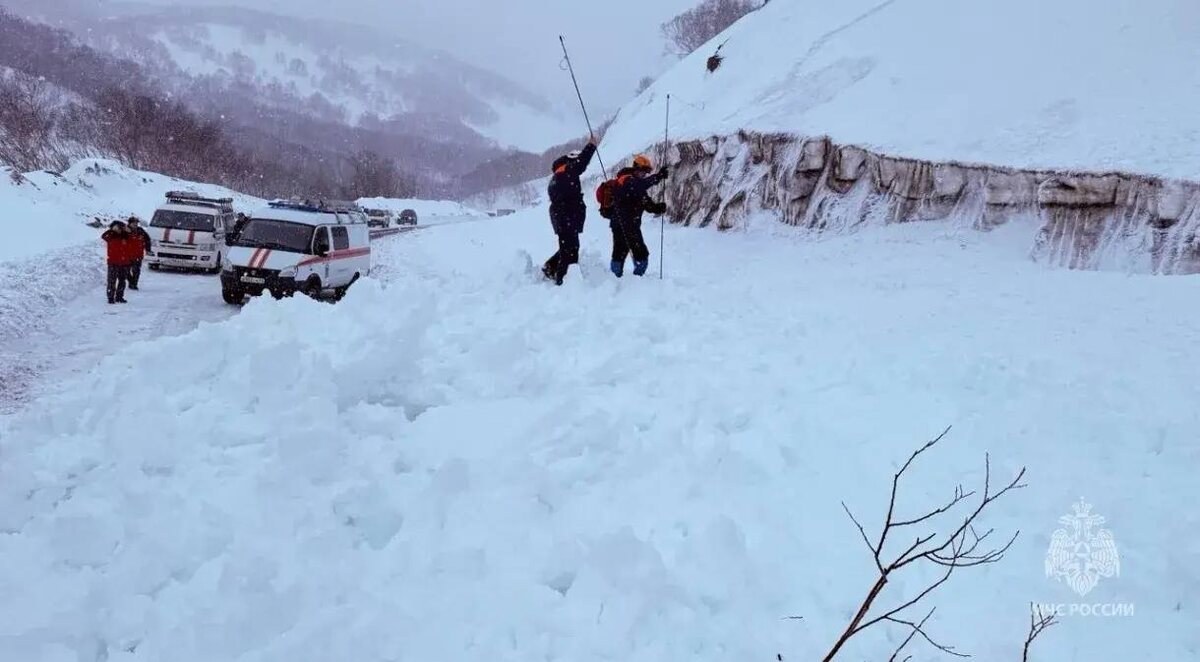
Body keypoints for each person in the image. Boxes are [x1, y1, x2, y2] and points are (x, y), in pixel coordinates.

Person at [543, 141, 597, 285]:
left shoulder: (559, 176)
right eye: (574, 161)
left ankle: (551, 267)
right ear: (570, 161)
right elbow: (581, 164)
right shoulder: (566, 171)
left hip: (564, 217)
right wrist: (591, 145)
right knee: (570, 250)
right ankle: (564, 279)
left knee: (568, 246)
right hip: (566, 217)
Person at [609, 154, 669, 277]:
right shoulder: (625, 180)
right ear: (637, 169)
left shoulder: (635, 185)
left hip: (628, 224)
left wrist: (658, 208)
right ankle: (633, 283)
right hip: (625, 224)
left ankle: (617, 279)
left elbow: (645, 202)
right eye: (643, 172)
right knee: (640, 255)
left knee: (621, 252)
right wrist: (658, 177)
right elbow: (639, 186)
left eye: (646, 173)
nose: (644, 175)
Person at [101, 220, 134, 304]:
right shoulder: (111, 236)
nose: (119, 230)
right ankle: (110, 297)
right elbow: (104, 236)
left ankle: (119, 297)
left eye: (120, 228)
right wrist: (112, 230)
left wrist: (128, 230)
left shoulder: (126, 236)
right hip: (113, 262)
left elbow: (133, 237)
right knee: (112, 281)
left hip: (124, 262)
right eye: (118, 228)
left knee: (122, 281)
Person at [126, 216, 152, 290]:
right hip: (127, 255)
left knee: (136, 271)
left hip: (138, 255)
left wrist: (148, 249)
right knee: (126, 270)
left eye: (136, 223)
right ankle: (131, 281)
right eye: (133, 223)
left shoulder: (140, 231)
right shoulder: (125, 231)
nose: (135, 224)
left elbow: (147, 239)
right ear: (130, 223)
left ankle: (134, 284)